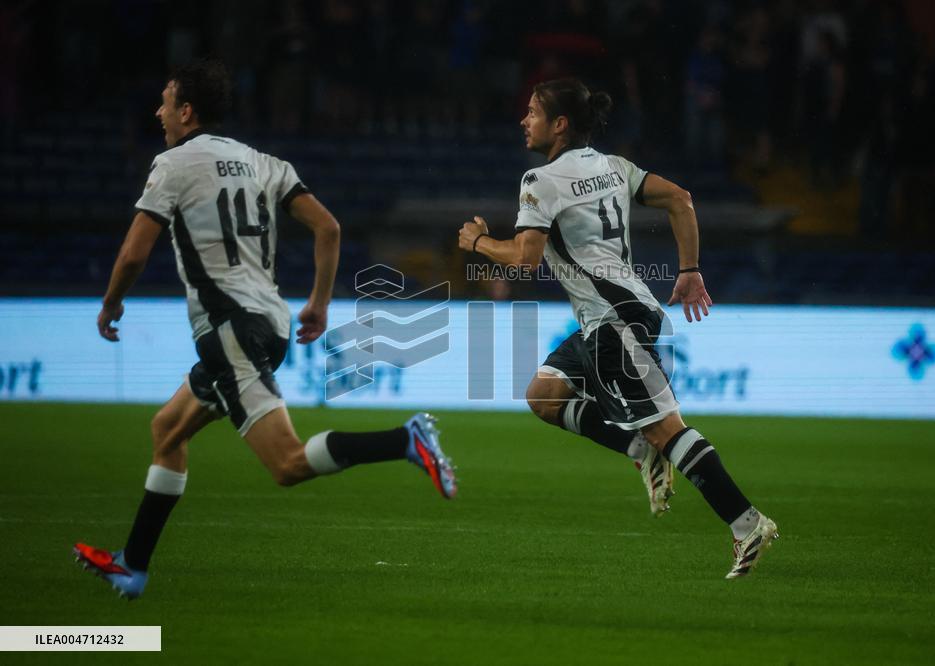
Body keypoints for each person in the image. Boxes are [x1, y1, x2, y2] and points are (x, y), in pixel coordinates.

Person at [73, 59, 457, 600]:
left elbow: (134, 253)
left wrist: (111, 303)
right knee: (168, 431)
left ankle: (404, 439)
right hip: (268, 321)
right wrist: (319, 304)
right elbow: (328, 226)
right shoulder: (261, 162)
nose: (158, 112)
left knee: (287, 465)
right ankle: (132, 565)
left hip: (231, 328)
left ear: (187, 111)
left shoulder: (172, 164)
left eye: (165, 102)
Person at [457, 78, 777, 579]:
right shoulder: (615, 166)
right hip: (605, 322)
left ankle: (747, 524)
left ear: (559, 124)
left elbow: (524, 258)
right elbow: (681, 198)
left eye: (533, 112)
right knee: (544, 395)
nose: (525, 120)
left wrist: (477, 242)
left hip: (616, 324)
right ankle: (638, 451)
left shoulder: (539, 181)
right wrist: (689, 270)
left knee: (667, 428)